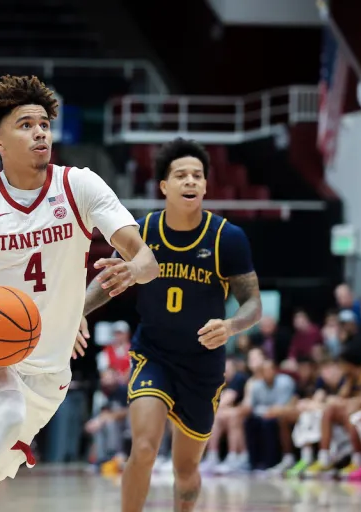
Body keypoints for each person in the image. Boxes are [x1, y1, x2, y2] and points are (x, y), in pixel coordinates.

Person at [0, 75, 159, 512]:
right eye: (25, 124)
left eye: (44, 123)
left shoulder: (79, 186)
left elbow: (145, 258)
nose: (40, 132)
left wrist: (133, 270)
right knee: (6, 408)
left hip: (49, 376)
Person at [81, 138, 262, 512]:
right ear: (164, 186)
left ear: (206, 185)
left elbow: (253, 303)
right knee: (144, 448)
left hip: (203, 363)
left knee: (186, 468)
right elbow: (108, 282)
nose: (190, 181)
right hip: (154, 354)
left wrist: (231, 327)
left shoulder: (226, 238)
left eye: (197, 175)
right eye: (181, 175)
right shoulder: (143, 232)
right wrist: (76, 312)